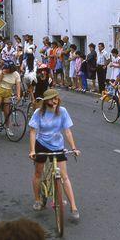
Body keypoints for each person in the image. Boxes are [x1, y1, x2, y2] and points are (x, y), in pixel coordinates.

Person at [28, 89, 81, 219]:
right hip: (42, 144)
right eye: (52, 99)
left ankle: (73, 207)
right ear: (46, 101)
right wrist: (32, 150)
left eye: (56, 98)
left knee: (64, 176)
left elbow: (67, 131)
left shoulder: (62, 111)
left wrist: (74, 148)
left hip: (58, 145)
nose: (55, 101)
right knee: (38, 173)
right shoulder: (39, 112)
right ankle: (37, 200)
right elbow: (33, 132)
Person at [0, 60, 21, 138]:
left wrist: (18, 95)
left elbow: (18, 85)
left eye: (8, 68)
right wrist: (2, 74)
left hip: (8, 92)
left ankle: (8, 128)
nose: (6, 69)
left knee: (7, 112)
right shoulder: (3, 71)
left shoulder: (16, 74)